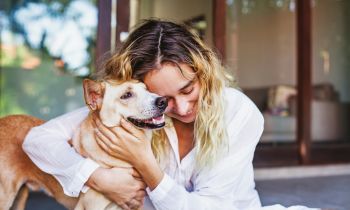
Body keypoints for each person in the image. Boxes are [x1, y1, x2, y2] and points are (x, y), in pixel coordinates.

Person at [23, 19, 319, 210]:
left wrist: (144, 162)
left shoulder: (238, 111)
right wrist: (98, 177)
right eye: (163, 100)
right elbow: (37, 140)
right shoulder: (137, 109)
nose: (183, 108)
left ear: (203, 71)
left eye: (188, 89)